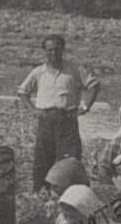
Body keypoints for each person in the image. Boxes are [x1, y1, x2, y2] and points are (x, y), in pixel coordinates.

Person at [16, 34, 100, 191]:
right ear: (45, 51)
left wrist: (85, 107)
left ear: (62, 50)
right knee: (42, 161)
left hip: (67, 120)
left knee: (69, 161)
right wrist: (33, 110)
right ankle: (40, 194)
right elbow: (22, 92)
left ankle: (69, 196)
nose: (53, 53)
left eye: (57, 50)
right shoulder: (38, 72)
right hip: (46, 121)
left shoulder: (74, 69)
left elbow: (94, 85)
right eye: (50, 50)